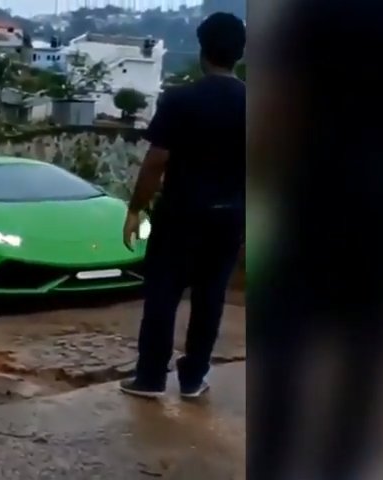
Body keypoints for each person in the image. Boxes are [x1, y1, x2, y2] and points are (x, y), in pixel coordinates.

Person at [119, 12, 246, 399]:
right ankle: (192, 379)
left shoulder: (180, 99)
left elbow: (157, 161)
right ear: (239, 54)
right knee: (210, 298)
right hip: (230, 217)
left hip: (181, 215)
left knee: (163, 295)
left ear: (203, 50)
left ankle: (151, 378)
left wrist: (135, 208)